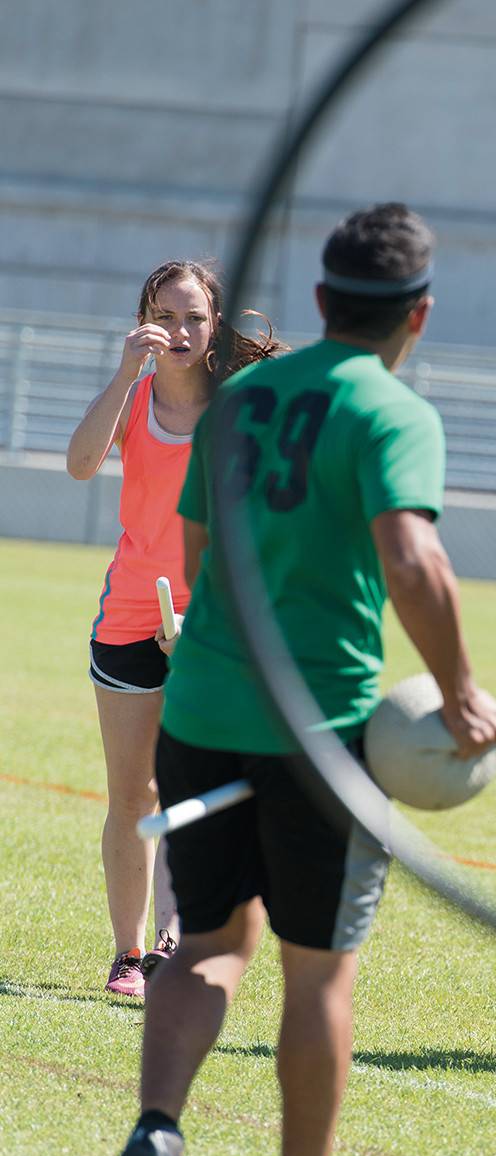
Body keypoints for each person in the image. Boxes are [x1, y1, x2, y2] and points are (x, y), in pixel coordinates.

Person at [114, 204, 496, 1156]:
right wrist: (463, 691)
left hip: (199, 709)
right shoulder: (392, 410)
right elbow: (413, 563)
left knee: (206, 943)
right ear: (416, 316)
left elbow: (198, 561)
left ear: (324, 301)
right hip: (317, 728)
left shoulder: (239, 403)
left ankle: (155, 1134)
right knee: (315, 967)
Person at [66, 261, 283, 1000]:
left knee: (195, 787)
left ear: (215, 324)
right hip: (129, 615)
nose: (181, 330)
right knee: (134, 794)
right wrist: (125, 373)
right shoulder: (134, 397)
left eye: (194, 317)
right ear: (145, 319)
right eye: (166, 315)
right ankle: (127, 953)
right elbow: (79, 465)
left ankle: (172, 938)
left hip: (212, 623)